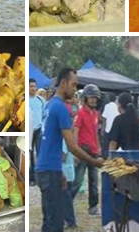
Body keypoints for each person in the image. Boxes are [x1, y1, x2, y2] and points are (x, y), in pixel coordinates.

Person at [36, 68, 103, 232]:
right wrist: (94, 161)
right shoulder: (61, 109)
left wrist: (60, 172)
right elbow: (72, 145)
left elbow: (46, 141)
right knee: (55, 225)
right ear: (64, 83)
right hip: (49, 172)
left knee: (50, 221)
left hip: (48, 170)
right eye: (73, 85)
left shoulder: (50, 104)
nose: (75, 89)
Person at [71, 84, 101, 216]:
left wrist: (98, 147)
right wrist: (76, 151)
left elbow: (95, 132)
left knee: (94, 181)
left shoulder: (95, 113)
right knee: (77, 180)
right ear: (85, 98)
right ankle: (66, 205)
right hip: (83, 150)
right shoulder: (80, 113)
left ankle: (93, 207)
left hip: (93, 151)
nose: (94, 100)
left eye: (95, 97)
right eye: (91, 97)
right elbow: (75, 131)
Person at [62, 100, 77, 230]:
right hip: (69, 171)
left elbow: (63, 155)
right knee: (66, 199)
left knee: (66, 200)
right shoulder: (69, 134)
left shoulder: (63, 135)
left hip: (64, 172)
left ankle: (71, 222)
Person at [29, 78, 45, 186]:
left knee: (39, 154)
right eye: (31, 86)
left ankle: (40, 178)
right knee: (30, 155)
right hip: (30, 131)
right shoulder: (26, 100)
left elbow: (44, 115)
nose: (33, 88)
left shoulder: (41, 100)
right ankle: (32, 178)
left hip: (39, 130)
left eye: (34, 86)